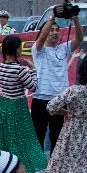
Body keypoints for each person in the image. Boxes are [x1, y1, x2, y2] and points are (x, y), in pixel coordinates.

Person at [0, 34, 47, 173]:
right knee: (24, 144)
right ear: (15, 50)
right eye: (20, 47)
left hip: (3, 107)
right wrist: (33, 70)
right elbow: (34, 87)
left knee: (5, 144)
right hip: (19, 109)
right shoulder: (20, 70)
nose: (21, 50)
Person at [32, 8, 81, 162]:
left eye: (56, 30)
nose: (54, 32)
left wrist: (75, 18)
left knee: (57, 136)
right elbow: (40, 39)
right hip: (41, 98)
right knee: (38, 135)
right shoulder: (38, 50)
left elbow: (79, 38)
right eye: (51, 30)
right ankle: (39, 169)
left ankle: (54, 168)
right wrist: (52, 17)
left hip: (59, 99)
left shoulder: (64, 49)